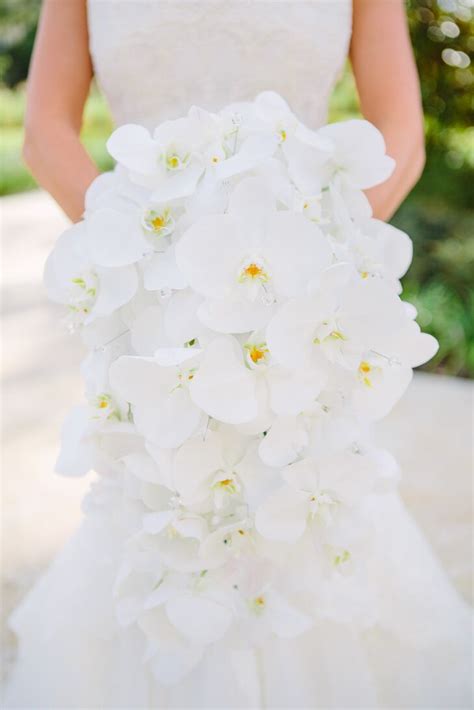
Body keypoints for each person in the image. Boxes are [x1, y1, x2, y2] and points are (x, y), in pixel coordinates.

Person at [4, 1, 471, 708]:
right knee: (167, 522)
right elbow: (43, 134)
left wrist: (312, 268)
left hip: (303, 312)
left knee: (306, 511)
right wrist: (141, 260)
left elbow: (399, 135)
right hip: (155, 314)